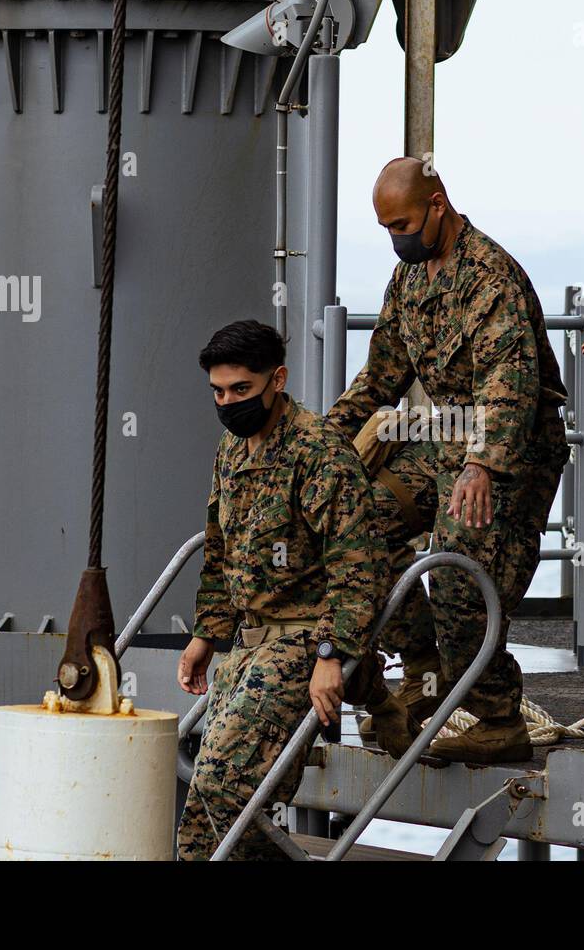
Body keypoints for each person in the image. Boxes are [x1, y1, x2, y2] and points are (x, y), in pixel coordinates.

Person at [325, 158, 568, 764]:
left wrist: (481, 466)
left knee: (457, 572)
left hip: (510, 451)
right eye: (385, 228)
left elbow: (509, 385)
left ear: (438, 205)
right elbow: (379, 377)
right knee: (358, 524)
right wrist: (318, 442)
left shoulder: (490, 279)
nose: (395, 238)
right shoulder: (409, 279)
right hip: (446, 437)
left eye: (402, 223)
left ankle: (497, 717)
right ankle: (425, 672)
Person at [174, 319, 412, 861]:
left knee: (223, 786)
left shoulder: (317, 451)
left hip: (304, 639)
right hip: (250, 640)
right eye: (218, 391)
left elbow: (359, 565)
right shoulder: (233, 450)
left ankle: (368, 686)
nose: (228, 402)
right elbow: (219, 548)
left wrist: (332, 656)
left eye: (241, 390)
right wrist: (206, 635)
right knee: (199, 819)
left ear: (276, 379)